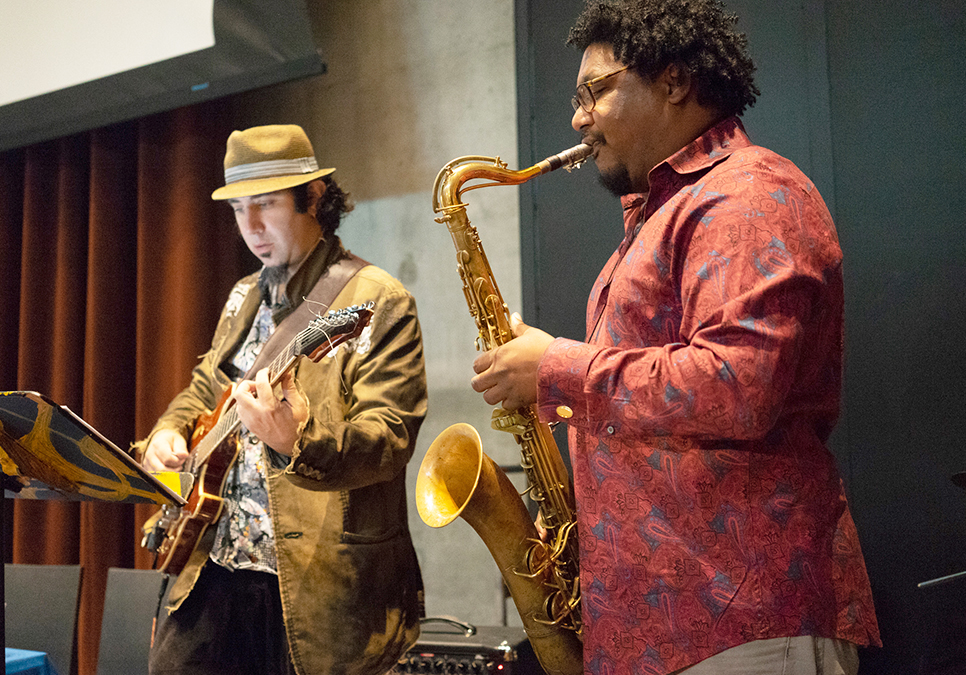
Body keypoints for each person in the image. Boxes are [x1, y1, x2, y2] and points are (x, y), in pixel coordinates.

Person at [469, 1, 881, 673]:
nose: (577, 118)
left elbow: (736, 385)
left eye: (595, 91)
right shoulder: (666, 213)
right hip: (668, 623)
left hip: (741, 621)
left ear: (673, 81)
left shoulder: (748, 194)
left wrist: (556, 368)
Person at [135, 124, 427, 675]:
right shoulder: (245, 293)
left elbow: (390, 438)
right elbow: (205, 385)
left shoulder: (378, 299)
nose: (250, 227)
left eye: (265, 205)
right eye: (239, 208)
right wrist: (168, 433)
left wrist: (298, 440)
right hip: (215, 565)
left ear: (313, 196)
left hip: (315, 584)